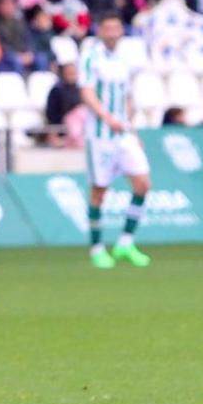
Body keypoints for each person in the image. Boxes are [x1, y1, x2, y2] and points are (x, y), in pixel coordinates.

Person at [76, 13, 152, 269]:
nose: (112, 32)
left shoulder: (122, 61)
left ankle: (125, 243)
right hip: (100, 136)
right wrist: (106, 117)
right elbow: (86, 92)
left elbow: (127, 98)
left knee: (142, 183)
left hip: (124, 134)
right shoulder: (90, 57)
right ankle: (97, 248)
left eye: (116, 28)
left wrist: (134, 131)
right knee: (99, 191)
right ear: (100, 31)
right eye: (107, 27)